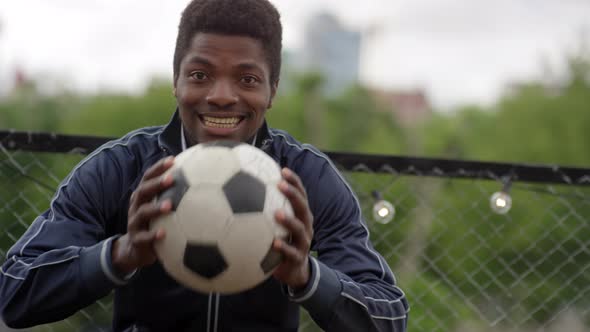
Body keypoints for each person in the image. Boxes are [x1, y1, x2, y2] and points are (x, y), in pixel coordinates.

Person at [0, 0, 409, 331]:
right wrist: (120, 254)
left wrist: (307, 277)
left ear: (272, 91)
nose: (221, 96)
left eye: (247, 80)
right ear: (176, 80)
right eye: (200, 74)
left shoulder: (304, 177)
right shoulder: (120, 168)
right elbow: (13, 293)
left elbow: (390, 316)